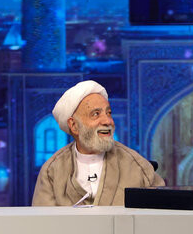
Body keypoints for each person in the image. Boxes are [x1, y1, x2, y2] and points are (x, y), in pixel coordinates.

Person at [32, 80, 164, 206]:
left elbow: (159, 216)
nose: (108, 121)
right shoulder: (52, 171)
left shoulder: (138, 167)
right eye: (96, 114)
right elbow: (42, 220)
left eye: (109, 113)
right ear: (74, 125)